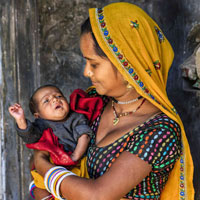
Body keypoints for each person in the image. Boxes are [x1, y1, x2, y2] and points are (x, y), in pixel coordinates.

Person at [32, 2, 194, 200]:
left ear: (127, 65)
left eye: (94, 63)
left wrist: (43, 166)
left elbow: (97, 195)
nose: (86, 71)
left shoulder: (159, 132)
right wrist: (44, 175)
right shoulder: (92, 103)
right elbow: (46, 149)